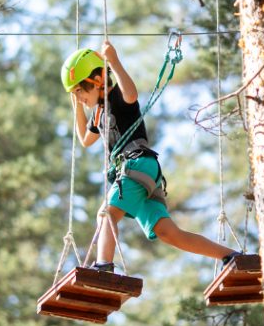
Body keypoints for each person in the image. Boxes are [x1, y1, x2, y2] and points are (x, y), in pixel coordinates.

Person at [61, 40, 239, 272]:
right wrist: (76, 106)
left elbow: (132, 94)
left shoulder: (117, 98)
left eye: (80, 91)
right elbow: (86, 139)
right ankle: (231, 256)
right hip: (144, 173)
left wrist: (113, 61)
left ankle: (104, 265)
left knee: (106, 214)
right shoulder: (98, 113)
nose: (81, 98)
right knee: (168, 233)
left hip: (137, 164)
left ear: (97, 81)